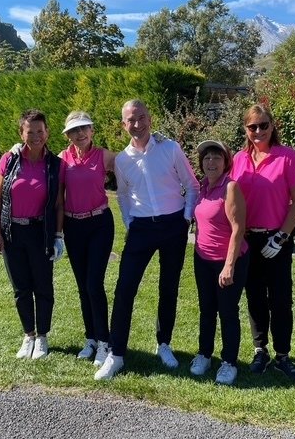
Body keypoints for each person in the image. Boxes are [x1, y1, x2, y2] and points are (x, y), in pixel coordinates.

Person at [94, 99, 200, 380]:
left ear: (150, 119)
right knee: (124, 288)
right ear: (123, 124)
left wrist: (186, 218)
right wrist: (130, 223)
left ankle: (163, 344)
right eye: (131, 120)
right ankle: (116, 354)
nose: (137, 124)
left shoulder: (170, 148)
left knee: (169, 286)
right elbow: (123, 195)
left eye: (141, 117)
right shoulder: (122, 160)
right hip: (141, 228)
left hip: (173, 225)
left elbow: (192, 185)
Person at [230, 103, 295, 381]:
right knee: (254, 297)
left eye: (264, 125)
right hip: (248, 239)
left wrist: (281, 236)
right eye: (252, 126)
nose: (258, 131)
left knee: (280, 299)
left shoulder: (287, 156)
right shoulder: (238, 159)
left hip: (277, 238)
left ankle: (282, 355)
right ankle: (260, 350)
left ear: (272, 126)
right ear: (245, 129)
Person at [0, 109, 64, 360]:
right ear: (21, 133)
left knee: (43, 286)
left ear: (47, 132)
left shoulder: (55, 164)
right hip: (12, 233)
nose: (36, 136)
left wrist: (58, 236)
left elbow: (59, 204)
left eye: (40, 131)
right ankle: (28, 335)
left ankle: (42, 336)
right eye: (30, 132)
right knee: (21, 288)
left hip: (40, 232)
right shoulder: (9, 160)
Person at [58, 111, 116, 367]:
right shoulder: (62, 159)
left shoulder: (104, 156)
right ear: (68, 135)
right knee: (83, 285)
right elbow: (57, 196)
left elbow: (135, 162)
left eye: (84, 128)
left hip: (99, 224)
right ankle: (90, 338)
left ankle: (104, 341)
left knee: (94, 283)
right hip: (73, 227)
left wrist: (154, 144)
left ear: (92, 130)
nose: (79, 134)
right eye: (74, 130)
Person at [190, 140, 249, 386]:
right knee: (206, 309)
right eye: (207, 158)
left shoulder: (230, 187)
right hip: (202, 259)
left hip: (228, 260)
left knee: (227, 311)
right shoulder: (203, 186)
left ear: (226, 162)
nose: (211, 162)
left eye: (217, 157)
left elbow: (238, 229)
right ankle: (204, 354)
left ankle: (229, 362)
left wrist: (229, 265)